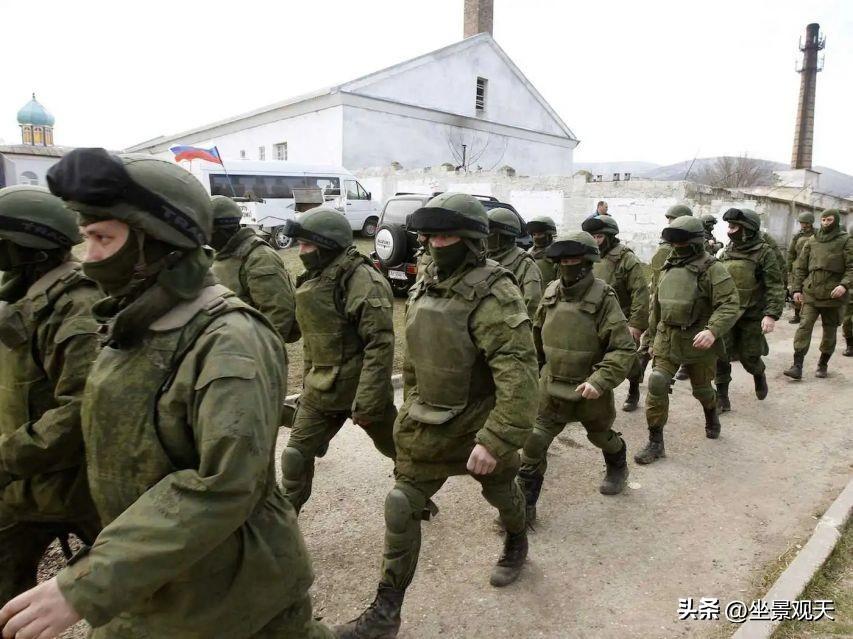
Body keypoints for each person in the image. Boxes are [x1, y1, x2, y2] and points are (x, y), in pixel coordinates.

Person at [0, 148, 332, 638]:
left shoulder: (230, 340)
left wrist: (89, 585)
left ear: (157, 242)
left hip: (232, 597)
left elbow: (223, 484)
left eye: (103, 239)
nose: (89, 258)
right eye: (87, 238)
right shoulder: (131, 323)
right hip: (158, 582)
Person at [335, 193, 538, 639]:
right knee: (401, 504)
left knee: (504, 497)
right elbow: (415, 359)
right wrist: (408, 409)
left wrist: (496, 439)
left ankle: (517, 539)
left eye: (445, 237)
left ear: (471, 240)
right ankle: (386, 610)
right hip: (427, 425)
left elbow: (519, 374)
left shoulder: (496, 292)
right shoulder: (426, 280)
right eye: (428, 236)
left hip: (478, 426)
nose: (433, 244)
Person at [0, 186, 101, 606]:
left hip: (82, 487)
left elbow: (81, 410)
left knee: (150, 597)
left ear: (30, 248)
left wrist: (6, 457)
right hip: (25, 487)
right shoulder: (26, 297)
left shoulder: (79, 308)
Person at [280, 207, 396, 514]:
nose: (301, 251)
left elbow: (379, 344)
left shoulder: (362, 280)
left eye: (307, 244)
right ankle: (283, 524)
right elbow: (310, 339)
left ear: (327, 244)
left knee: (399, 451)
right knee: (294, 456)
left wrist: (369, 403)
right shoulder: (313, 278)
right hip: (321, 392)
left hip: (361, 390)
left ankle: (414, 494)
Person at [518, 231, 636, 510]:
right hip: (551, 387)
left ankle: (618, 465)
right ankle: (524, 507)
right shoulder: (550, 292)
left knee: (600, 436)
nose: (567, 265)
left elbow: (623, 348)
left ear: (587, 262)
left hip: (588, 389)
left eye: (573, 260)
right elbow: (536, 337)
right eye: (563, 260)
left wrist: (600, 380)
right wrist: (533, 372)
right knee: (534, 442)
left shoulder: (603, 297)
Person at [636, 216, 740, 464]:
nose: (678, 246)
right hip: (667, 338)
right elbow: (656, 307)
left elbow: (729, 303)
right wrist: (649, 339)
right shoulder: (667, 267)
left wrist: (712, 331)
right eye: (675, 241)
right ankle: (655, 442)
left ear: (695, 241)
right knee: (657, 382)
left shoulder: (713, 268)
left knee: (702, 390)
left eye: (682, 241)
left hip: (698, 340)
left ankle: (711, 413)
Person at [714, 208, 785, 411]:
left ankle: (758, 373)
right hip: (726, 313)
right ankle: (722, 396)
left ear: (748, 229)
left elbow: (775, 285)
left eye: (734, 226)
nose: (729, 230)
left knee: (749, 356)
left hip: (752, 314)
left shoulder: (764, 252)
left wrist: (771, 314)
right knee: (721, 355)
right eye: (729, 226)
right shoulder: (727, 251)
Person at [581, 215, 649, 411]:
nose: (595, 241)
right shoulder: (587, 257)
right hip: (593, 318)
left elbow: (640, 293)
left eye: (599, 236)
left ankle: (634, 387)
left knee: (627, 360)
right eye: (592, 236)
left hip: (621, 320)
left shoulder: (627, 259)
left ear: (610, 236)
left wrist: (635, 325)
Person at [210, 195, 299, 343]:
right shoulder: (220, 254)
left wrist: (260, 350)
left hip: (250, 347)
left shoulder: (259, 257)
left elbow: (278, 313)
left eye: (209, 231)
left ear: (223, 229)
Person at [785, 209, 853, 379]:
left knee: (829, 331)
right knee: (804, 326)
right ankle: (797, 365)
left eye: (829, 220)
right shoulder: (812, 240)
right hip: (812, 292)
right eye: (823, 220)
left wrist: (844, 285)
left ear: (836, 221)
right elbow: (801, 266)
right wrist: (796, 289)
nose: (825, 223)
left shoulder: (845, 240)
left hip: (834, 294)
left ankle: (823, 364)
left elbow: (851, 267)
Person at [637, 204, 694, 382]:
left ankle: (685, 364)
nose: (669, 223)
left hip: (683, 300)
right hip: (661, 298)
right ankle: (639, 373)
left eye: (673, 219)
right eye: (669, 220)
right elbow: (658, 274)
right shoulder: (665, 247)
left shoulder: (693, 247)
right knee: (651, 333)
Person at [486, 207, 543, 317]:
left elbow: (532, 306)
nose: (485, 236)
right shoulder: (484, 259)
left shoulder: (526, 265)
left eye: (490, 232)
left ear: (504, 235)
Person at [786, 212, 815, 324]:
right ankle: (797, 314)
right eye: (801, 223)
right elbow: (791, 252)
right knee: (796, 290)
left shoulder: (817, 234)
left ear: (810, 223)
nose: (802, 225)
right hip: (798, 266)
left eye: (804, 223)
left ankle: (809, 314)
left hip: (812, 266)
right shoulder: (797, 236)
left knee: (810, 291)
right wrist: (789, 267)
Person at [526, 215, 558, 285]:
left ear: (549, 235)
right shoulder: (528, 253)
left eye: (540, 234)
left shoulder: (557, 255)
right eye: (534, 234)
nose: (536, 237)